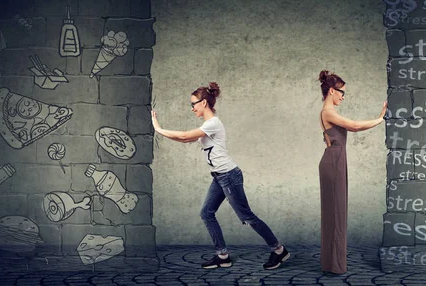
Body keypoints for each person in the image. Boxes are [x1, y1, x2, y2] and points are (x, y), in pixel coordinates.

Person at [151, 82, 290, 270]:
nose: (192, 108)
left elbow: (184, 136)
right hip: (219, 176)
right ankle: (222, 255)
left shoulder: (213, 123)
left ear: (204, 103)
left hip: (229, 176)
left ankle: (279, 250)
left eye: (194, 104)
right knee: (206, 213)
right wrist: (160, 129)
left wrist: (158, 129)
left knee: (247, 216)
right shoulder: (207, 126)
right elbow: (184, 139)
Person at [317, 70, 386, 274]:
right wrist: (380, 119)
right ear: (331, 90)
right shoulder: (328, 112)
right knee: (336, 215)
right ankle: (336, 266)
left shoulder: (329, 113)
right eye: (341, 92)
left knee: (334, 214)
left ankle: (331, 264)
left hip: (334, 161)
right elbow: (355, 127)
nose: (343, 96)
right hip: (334, 162)